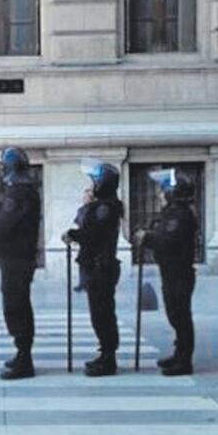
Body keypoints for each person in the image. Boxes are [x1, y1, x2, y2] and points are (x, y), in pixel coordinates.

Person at [0, 146, 41, 380]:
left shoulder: (18, 192)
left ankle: (24, 359)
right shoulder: (23, 190)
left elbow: (6, 221)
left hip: (17, 258)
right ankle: (21, 353)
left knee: (16, 307)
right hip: (17, 257)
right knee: (17, 305)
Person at [63, 160, 124, 377]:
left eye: (94, 181)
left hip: (101, 267)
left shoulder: (105, 207)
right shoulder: (103, 205)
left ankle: (108, 358)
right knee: (100, 314)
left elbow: (93, 235)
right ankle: (105, 354)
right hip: (96, 266)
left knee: (103, 314)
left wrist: (73, 235)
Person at [136, 169, 198, 377]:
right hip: (170, 270)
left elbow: (168, 241)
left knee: (180, 315)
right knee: (174, 314)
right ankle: (179, 353)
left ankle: (184, 360)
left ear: (173, 192)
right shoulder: (171, 213)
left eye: (163, 191)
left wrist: (147, 238)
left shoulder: (180, 215)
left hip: (179, 271)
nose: (159, 195)